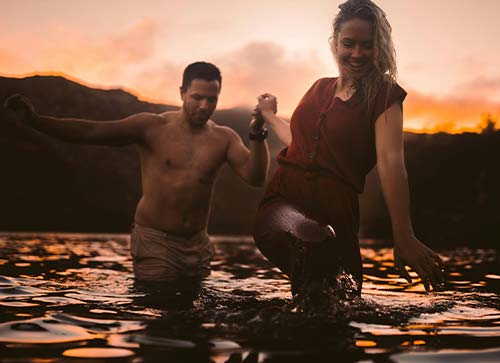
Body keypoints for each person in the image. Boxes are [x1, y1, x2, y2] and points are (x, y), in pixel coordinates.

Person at [4, 61, 270, 283]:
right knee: (160, 317)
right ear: (182, 92)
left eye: (211, 99)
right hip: (156, 241)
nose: (203, 106)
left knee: (195, 329)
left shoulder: (224, 138)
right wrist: (36, 122)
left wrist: (257, 133)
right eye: (197, 97)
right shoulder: (152, 127)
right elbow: (92, 131)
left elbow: (255, 177)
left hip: (198, 245)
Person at [253, 0, 444, 303]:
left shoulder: (384, 96)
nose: (357, 54)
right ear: (335, 43)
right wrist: (268, 115)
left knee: (341, 307)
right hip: (282, 207)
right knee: (312, 239)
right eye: (349, 44)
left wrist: (403, 234)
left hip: (338, 215)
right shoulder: (318, 88)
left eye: (366, 45)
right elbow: (297, 140)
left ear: (379, 47)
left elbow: (391, 161)